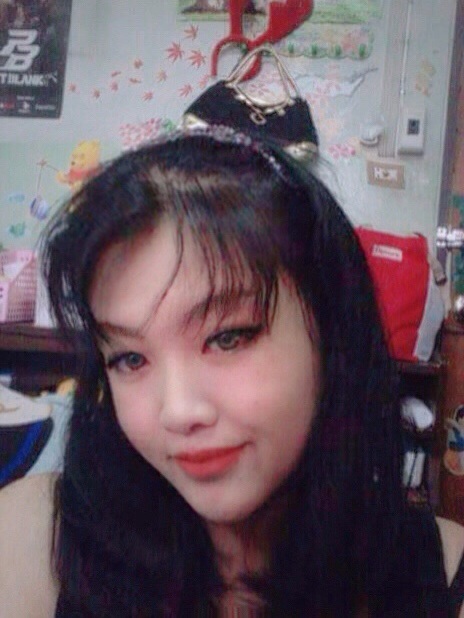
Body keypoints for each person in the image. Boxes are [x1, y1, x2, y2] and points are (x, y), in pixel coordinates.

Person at [1, 126, 464, 617]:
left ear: (331, 333)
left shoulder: (441, 573)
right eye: (129, 359)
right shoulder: (32, 539)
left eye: (228, 338)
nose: (178, 412)